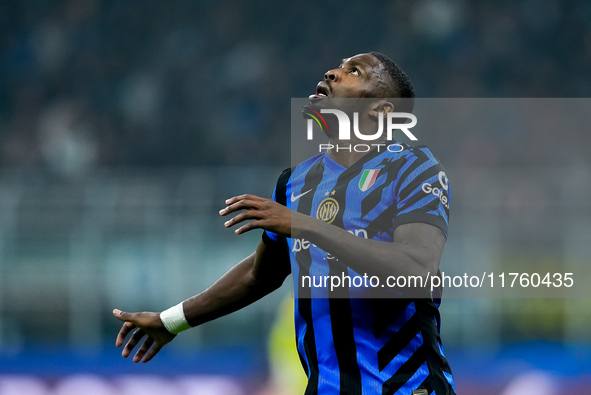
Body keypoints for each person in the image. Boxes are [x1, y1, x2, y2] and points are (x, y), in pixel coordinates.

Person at [113, 52, 456, 395]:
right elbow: (259, 274)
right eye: (338, 65)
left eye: (355, 72)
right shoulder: (298, 182)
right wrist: (171, 321)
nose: (332, 73)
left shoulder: (414, 168)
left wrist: (305, 225)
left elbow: (417, 271)